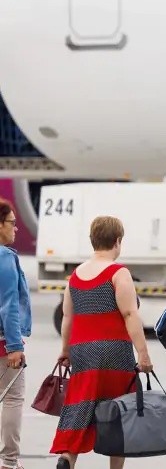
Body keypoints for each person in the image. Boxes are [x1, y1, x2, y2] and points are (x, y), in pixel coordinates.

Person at [51, 216, 154, 469]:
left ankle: (67, 457)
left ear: (92, 241)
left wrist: (65, 350)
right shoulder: (118, 273)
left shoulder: (75, 276)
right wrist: (143, 353)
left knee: (79, 406)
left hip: (82, 352)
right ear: (118, 242)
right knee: (119, 409)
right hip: (114, 351)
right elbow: (130, 314)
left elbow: (68, 317)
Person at [0, 200, 30, 469]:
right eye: (11, 222)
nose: (16, 228)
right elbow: (8, 304)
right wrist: (14, 345)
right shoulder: (5, 257)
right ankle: (9, 462)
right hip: (3, 344)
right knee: (11, 398)